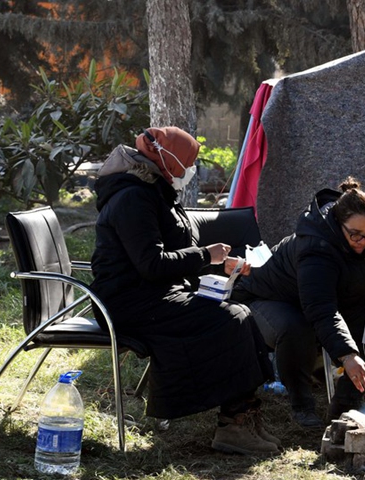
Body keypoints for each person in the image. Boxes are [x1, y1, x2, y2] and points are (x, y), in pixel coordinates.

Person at [89, 126, 280, 455]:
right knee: (229, 319)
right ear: (169, 161)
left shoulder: (152, 188)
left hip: (151, 294)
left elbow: (170, 254)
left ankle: (243, 416)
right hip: (128, 302)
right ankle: (233, 427)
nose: (191, 171)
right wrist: (207, 255)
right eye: (189, 163)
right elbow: (151, 263)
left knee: (241, 315)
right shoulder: (132, 196)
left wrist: (218, 263)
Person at [233, 177, 365, 427]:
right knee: (296, 326)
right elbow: (321, 309)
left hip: (314, 301)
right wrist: (348, 355)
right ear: (337, 225)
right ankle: (302, 405)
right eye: (355, 235)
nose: (363, 242)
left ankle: (345, 406)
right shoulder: (315, 247)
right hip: (266, 298)